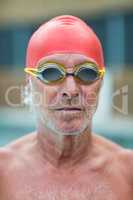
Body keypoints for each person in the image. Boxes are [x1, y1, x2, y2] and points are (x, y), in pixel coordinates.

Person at [0, 15, 133, 200]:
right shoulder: (3, 173)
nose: (71, 91)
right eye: (51, 73)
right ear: (29, 82)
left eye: (87, 73)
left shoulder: (128, 173)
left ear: (101, 82)